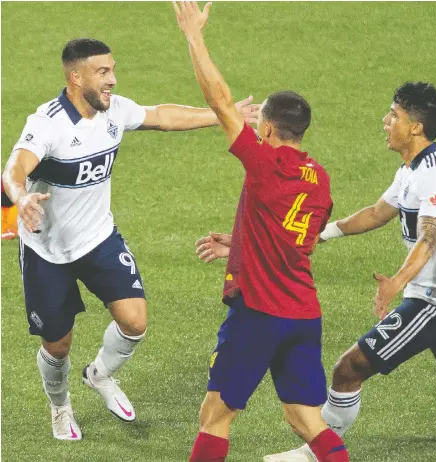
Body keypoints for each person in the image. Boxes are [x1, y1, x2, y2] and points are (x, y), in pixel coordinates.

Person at [264, 82, 436, 462]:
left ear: (415, 127)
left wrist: (397, 281)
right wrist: (319, 235)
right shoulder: (412, 169)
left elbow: (430, 236)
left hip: (434, 301)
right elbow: (377, 212)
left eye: (393, 115)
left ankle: (315, 454)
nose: (385, 121)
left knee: (348, 368)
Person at [2, 37, 259, 441]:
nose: (113, 80)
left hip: (99, 238)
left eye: (112, 70)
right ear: (75, 76)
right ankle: (60, 406)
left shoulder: (114, 111)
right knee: (57, 346)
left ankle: (99, 375)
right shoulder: (46, 124)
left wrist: (222, 114)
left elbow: (163, 116)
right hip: (47, 252)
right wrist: (21, 198)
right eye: (103, 72)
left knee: (135, 321)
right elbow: (14, 169)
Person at [173, 2, 350, 461]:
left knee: (216, 416)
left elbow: (219, 99)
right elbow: (301, 240)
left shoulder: (264, 163)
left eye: (258, 124)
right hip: (304, 314)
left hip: (258, 312)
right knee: (305, 421)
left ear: (267, 127)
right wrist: (241, 241)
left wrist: (194, 35)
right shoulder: (320, 177)